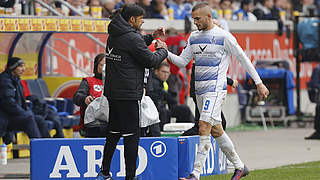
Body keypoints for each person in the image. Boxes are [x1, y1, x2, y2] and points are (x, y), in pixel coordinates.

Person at [161, 2, 269, 180]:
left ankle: (195, 174)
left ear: (209, 17)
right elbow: (181, 61)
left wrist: (259, 83)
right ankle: (240, 167)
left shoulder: (224, 36)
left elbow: (243, 59)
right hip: (200, 92)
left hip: (216, 90)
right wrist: (165, 51)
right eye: (193, 18)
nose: (195, 22)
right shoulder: (194, 37)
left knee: (203, 126)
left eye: (198, 18)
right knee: (216, 130)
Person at [96, 4, 168, 180]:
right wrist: (163, 50)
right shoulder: (130, 38)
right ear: (132, 20)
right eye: (141, 18)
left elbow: (134, 45)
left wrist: (151, 37)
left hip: (113, 92)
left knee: (113, 133)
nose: (143, 21)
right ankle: (130, 177)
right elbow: (150, 60)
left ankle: (104, 172)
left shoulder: (115, 33)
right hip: (128, 94)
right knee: (131, 136)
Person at [0, 57, 45, 144]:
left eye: (24, 66)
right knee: (28, 119)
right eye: (20, 66)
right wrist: (24, 113)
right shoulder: (4, 81)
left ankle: (48, 148)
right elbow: (9, 104)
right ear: (12, 68)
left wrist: (28, 112)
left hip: (14, 116)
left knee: (40, 120)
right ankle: (39, 149)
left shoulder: (16, 80)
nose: (23, 69)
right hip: (5, 118)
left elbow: (22, 102)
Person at [147, 61, 194, 131]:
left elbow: (170, 98)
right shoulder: (154, 82)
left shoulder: (164, 82)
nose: (166, 74)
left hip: (163, 108)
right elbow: (164, 95)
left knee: (183, 109)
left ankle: (187, 130)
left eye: (168, 72)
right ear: (156, 71)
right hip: (156, 110)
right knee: (165, 112)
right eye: (163, 72)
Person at [73, 53, 108, 138]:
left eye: (107, 66)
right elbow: (77, 97)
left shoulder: (116, 83)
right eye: (102, 65)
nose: (104, 68)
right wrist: (85, 99)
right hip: (93, 124)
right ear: (96, 66)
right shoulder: (88, 81)